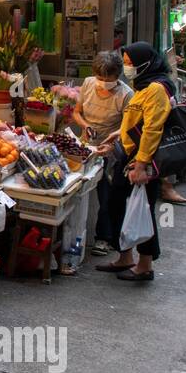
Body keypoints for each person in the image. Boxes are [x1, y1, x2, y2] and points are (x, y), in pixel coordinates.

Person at [93, 43, 173, 282]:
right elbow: (137, 119)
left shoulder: (157, 88)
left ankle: (145, 265)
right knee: (116, 204)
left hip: (142, 160)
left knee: (142, 211)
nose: (127, 66)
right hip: (128, 156)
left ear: (145, 63)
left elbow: (152, 128)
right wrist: (118, 134)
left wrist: (140, 165)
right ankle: (125, 256)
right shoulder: (144, 86)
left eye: (129, 62)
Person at [70, 51, 132, 257]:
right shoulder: (88, 84)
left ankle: (104, 238)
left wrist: (113, 140)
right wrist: (85, 125)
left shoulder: (125, 95)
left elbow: (128, 126)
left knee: (106, 194)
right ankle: (75, 235)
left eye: (109, 79)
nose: (104, 82)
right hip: (86, 146)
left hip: (110, 150)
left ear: (118, 76)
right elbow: (76, 112)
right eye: (101, 78)